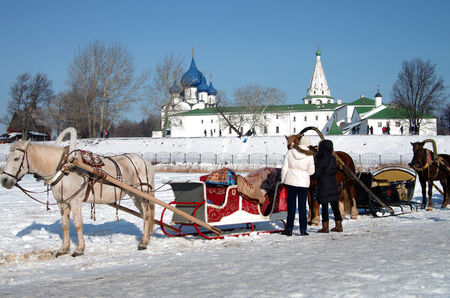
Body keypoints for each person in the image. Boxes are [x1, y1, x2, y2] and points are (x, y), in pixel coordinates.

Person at [281, 135, 315, 236]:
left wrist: (283, 180)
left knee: (291, 206)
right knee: (302, 207)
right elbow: (311, 171)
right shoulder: (309, 155)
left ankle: (289, 229)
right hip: (303, 183)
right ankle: (303, 230)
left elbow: (284, 168)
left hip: (290, 182)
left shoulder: (290, 152)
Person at [312, 139, 343, 233]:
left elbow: (316, 173)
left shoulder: (321, 159)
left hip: (324, 185)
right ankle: (339, 225)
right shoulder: (333, 158)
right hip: (333, 184)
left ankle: (325, 227)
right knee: (335, 206)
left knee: (324, 206)